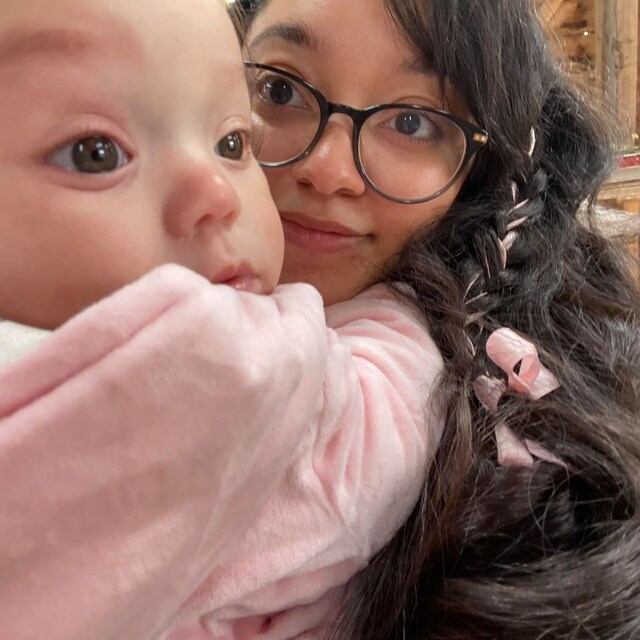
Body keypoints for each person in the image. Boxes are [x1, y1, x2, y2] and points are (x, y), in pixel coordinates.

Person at [0, 0, 444, 639]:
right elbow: (381, 422)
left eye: (232, 143)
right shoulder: (219, 363)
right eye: (95, 154)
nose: (218, 193)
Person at [231, 0, 640, 638]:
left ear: (480, 171)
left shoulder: (497, 455)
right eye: (280, 89)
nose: (328, 170)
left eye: (412, 121)